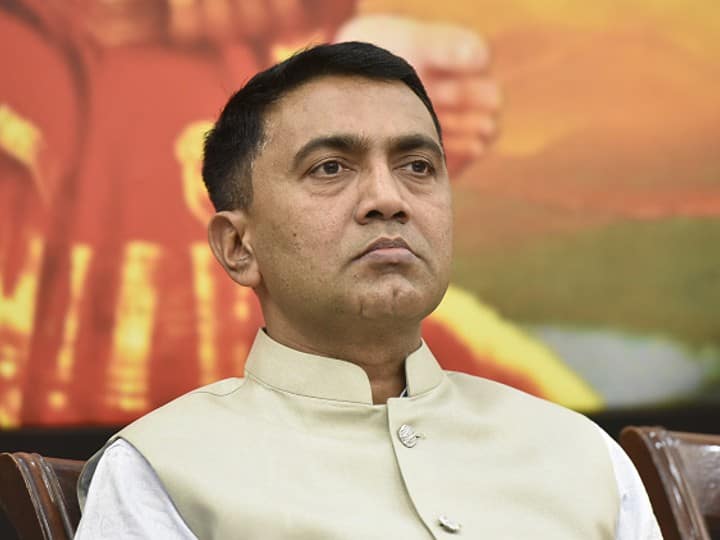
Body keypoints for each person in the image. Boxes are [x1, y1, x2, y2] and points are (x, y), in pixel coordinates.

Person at [75, 42, 661, 539]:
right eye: (330, 167)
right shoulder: (165, 470)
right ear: (238, 246)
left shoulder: (585, 458)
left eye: (417, 166)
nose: (388, 198)